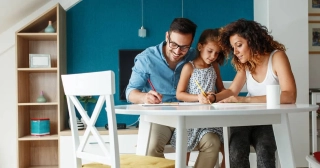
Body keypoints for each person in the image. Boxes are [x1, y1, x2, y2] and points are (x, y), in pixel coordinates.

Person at [125, 18, 221, 167]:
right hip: (161, 116)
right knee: (151, 148)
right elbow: (130, 92)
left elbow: (213, 62)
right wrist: (145, 96)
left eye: (184, 47)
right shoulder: (146, 58)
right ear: (167, 36)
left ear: (192, 43)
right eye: (174, 44)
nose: (178, 52)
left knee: (212, 143)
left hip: (190, 118)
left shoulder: (196, 55)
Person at [218, 19, 297, 168]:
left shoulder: (277, 57)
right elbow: (231, 91)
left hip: (268, 121)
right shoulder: (245, 63)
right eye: (233, 47)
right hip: (245, 119)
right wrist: (213, 97)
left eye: (239, 45)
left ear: (252, 40)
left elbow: (290, 95)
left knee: (265, 150)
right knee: (235, 151)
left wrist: (245, 100)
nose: (235, 52)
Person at [172, 28, 228, 167]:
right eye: (210, 51)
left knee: (227, 147)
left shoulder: (214, 66)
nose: (213, 56)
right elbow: (179, 94)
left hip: (211, 118)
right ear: (200, 46)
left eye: (217, 53)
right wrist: (198, 97)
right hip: (191, 117)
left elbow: (221, 89)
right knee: (184, 148)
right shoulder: (189, 67)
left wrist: (215, 96)